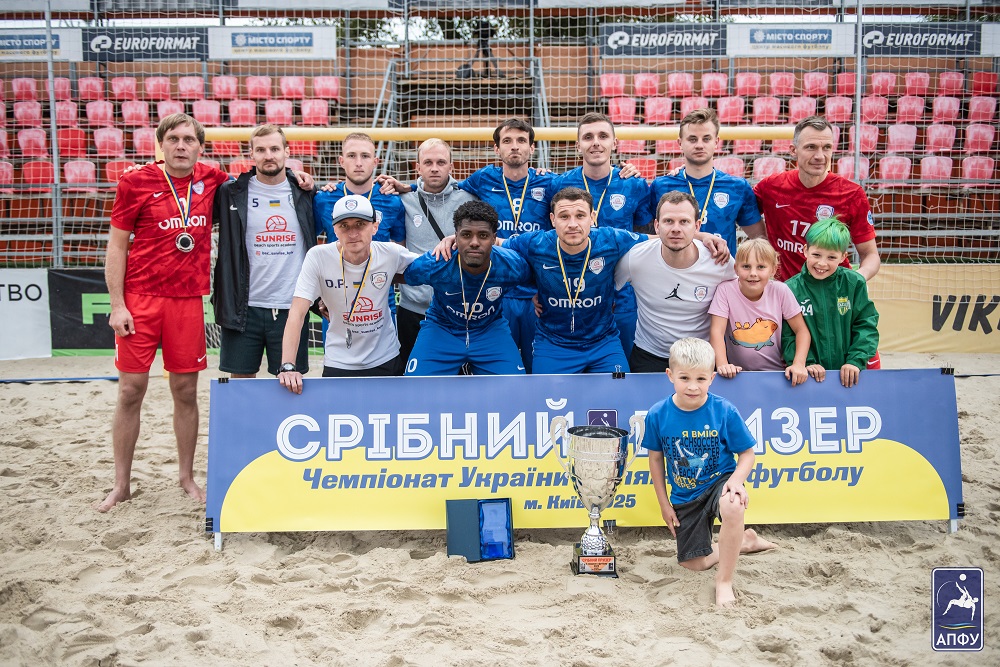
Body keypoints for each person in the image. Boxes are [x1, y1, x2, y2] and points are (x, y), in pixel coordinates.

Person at [99, 113, 231, 512]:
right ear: (161, 144)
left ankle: (186, 477)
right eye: (173, 138)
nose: (181, 146)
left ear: (200, 147)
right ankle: (121, 484)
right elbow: (117, 245)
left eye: (189, 139)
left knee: (186, 391)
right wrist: (117, 304)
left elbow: (259, 182)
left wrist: (302, 178)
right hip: (140, 299)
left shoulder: (214, 180)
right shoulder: (135, 182)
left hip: (187, 300)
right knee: (130, 390)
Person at [642, 337, 776, 606]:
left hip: (719, 481)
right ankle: (744, 541)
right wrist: (664, 504)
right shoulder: (657, 414)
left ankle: (724, 582)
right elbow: (655, 459)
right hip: (685, 495)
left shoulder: (723, 410)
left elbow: (747, 453)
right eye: (684, 378)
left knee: (733, 505)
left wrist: (736, 482)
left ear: (712, 378)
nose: (693, 386)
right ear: (670, 375)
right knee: (694, 563)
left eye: (701, 379)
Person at [277, 195, 418, 392]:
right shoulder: (317, 257)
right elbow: (297, 313)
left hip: (385, 359)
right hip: (338, 361)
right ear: (334, 229)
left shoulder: (391, 253)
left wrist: (450, 243)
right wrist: (288, 366)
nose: (353, 233)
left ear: (375, 227)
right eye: (344, 226)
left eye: (360, 224)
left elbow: (435, 265)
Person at [499, 187, 646, 374]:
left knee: (619, 388)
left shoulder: (611, 240)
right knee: (546, 393)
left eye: (580, 215)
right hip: (554, 344)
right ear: (553, 219)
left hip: (604, 343)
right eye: (564, 217)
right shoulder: (536, 243)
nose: (572, 224)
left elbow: (657, 241)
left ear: (592, 217)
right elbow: (495, 243)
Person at [212, 124, 317, 378]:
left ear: (287, 152)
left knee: (289, 383)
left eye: (274, 149)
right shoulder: (230, 192)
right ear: (251, 154)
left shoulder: (306, 192)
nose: (268, 155)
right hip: (243, 308)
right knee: (241, 383)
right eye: (260, 150)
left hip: (291, 306)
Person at [546, 112, 653, 357]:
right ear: (578, 146)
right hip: (573, 291)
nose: (595, 142)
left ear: (615, 143)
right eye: (588, 137)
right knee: (574, 360)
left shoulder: (634, 184)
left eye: (603, 136)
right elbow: (549, 235)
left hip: (622, 292)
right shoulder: (558, 184)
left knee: (623, 366)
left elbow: (645, 236)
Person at [454, 119, 554, 372]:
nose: (515, 146)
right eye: (507, 141)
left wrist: (625, 169)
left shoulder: (549, 183)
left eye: (521, 140)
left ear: (532, 148)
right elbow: (444, 188)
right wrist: (408, 186)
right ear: (497, 149)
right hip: (496, 292)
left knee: (537, 367)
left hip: (536, 295)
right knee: (497, 370)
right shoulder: (483, 178)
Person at [402, 201, 531, 376]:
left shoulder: (511, 265)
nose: (474, 243)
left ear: (494, 238)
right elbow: (402, 275)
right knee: (417, 388)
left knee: (513, 387)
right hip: (442, 328)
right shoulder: (437, 263)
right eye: (466, 235)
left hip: (490, 330)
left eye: (483, 235)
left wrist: (537, 294)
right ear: (456, 237)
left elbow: (537, 278)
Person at [614, 191, 735, 373]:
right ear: (657, 226)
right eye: (668, 221)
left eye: (684, 222)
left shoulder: (719, 260)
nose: (676, 228)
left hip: (701, 355)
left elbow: (742, 298)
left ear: (697, 226)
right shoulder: (636, 258)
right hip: (650, 355)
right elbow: (604, 287)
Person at [754, 115, 880, 283]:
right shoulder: (770, 187)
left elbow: (870, 254)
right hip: (786, 290)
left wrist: (855, 280)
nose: (820, 156)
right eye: (811, 147)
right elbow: (740, 213)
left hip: (832, 291)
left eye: (826, 147)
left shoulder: (852, 194)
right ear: (793, 150)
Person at [396, 138, 478, 366]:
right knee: (411, 376)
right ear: (418, 167)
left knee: (458, 378)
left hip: (458, 310)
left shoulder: (469, 201)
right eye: (428, 162)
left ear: (451, 166)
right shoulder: (403, 201)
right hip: (413, 308)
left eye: (441, 162)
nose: (434, 168)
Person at [780, 217, 879, 388]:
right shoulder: (790, 289)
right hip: (808, 375)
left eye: (831, 257)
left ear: (843, 257)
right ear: (805, 250)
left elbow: (866, 325)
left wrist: (855, 361)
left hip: (850, 374)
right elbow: (787, 334)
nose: (822, 263)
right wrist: (806, 362)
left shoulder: (854, 283)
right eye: (816, 255)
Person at [650, 108, 764, 255]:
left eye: (706, 139)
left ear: (716, 142)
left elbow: (760, 240)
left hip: (721, 267)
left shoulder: (737, 187)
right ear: (680, 143)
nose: (699, 145)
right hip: (673, 268)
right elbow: (648, 236)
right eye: (692, 139)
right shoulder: (661, 186)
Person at [708, 238, 810, 385]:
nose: (753, 273)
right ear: (736, 269)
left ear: (773, 270)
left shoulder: (780, 290)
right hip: (738, 375)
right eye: (746, 266)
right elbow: (716, 331)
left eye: (761, 267)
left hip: (779, 374)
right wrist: (723, 364)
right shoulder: (725, 290)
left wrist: (798, 364)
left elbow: (802, 331)